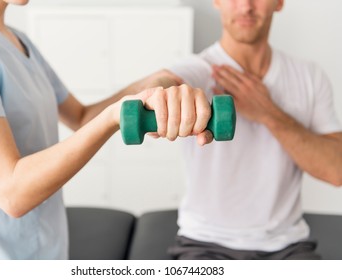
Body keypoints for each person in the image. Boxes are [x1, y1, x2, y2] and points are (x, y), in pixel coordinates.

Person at [0, 0, 213, 259]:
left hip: (45, 252)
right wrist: (116, 115)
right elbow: (12, 193)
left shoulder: (19, 41)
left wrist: (151, 85)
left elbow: (81, 117)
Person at [140, 0, 342, 259]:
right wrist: (162, 92)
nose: (246, 6)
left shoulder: (310, 76)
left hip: (288, 247)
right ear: (217, 2)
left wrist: (267, 112)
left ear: (278, 3)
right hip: (205, 243)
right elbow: (167, 80)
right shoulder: (199, 69)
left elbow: (336, 170)